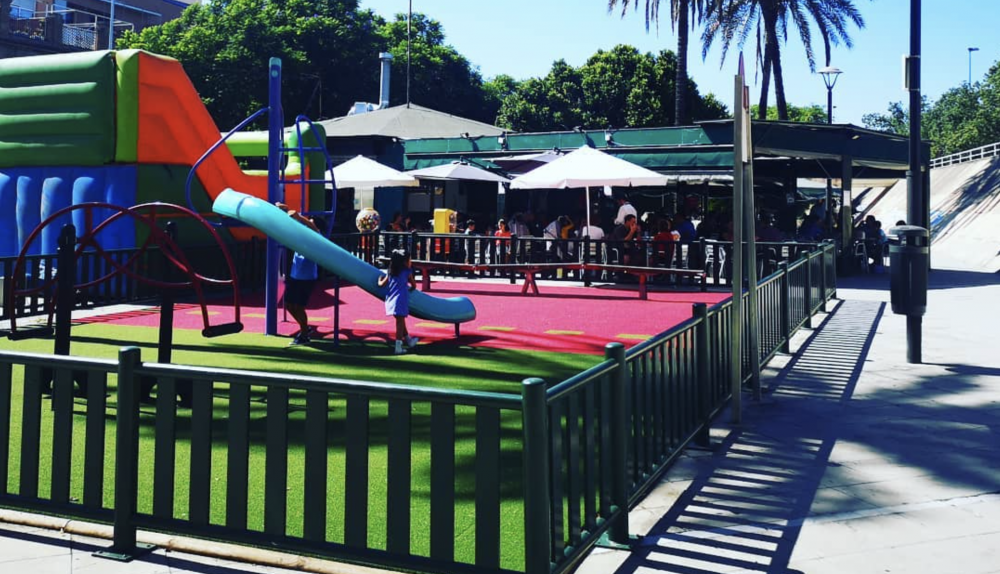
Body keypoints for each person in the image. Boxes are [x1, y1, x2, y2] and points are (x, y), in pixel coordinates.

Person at [276, 202, 324, 346]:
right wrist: (284, 210)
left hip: (307, 277)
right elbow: (293, 223)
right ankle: (305, 328)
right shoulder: (303, 235)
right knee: (289, 304)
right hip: (296, 275)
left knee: (299, 306)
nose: (308, 223)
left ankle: (304, 334)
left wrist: (299, 216)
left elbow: (313, 228)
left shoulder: (317, 236)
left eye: (311, 222)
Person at [377, 249, 419, 355]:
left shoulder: (391, 271)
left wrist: (379, 279)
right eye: (409, 260)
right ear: (404, 262)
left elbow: (381, 284)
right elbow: (414, 285)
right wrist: (410, 288)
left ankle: (409, 340)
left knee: (400, 321)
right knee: (399, 323)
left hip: (391, 298)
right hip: (400, 299)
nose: (411, 262)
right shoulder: (407, 272)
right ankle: (398, 347)